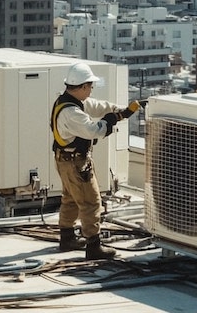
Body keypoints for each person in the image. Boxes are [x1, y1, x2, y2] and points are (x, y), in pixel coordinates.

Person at [50, 62, 138, 260]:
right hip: (75, 162)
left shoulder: (67, 101)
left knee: (71, 198)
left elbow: (97, 106)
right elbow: (93, 130)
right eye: (90, 86)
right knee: (91, 202)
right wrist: (110, 121)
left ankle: (67, 238)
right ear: (82, 86)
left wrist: (121, 111)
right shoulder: (71, 113)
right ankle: (93, 246)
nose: (91, 90)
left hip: (65, 160)